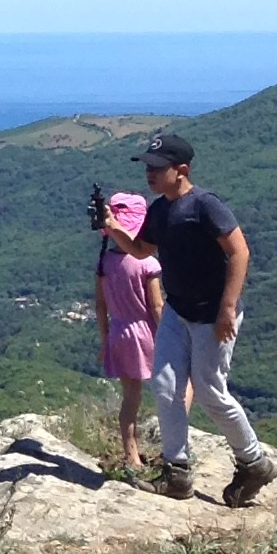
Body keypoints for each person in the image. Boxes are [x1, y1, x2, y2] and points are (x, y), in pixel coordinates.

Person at [103, 130, 277, 506]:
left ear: (181, 170)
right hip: (178, 311)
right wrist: (114, 229)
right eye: (147, 166)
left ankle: (254, 462)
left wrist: (228, 309)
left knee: (212, 392)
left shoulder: (205, 206)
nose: (149, 174)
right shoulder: (161, 210)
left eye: (157, 168)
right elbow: (141, 248)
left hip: (212, 314)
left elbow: (239, 252)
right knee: (166, 387)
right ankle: (177, 472)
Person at [93, 191, 161, 472]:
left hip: (119, 331)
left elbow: (100, 306)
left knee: (129, 397)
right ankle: (173, 451)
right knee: (170, 388)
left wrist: (105, 339)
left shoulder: (104, 263)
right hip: (145, 332)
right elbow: (156, 305)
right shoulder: (147, 263)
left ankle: (130, 453)